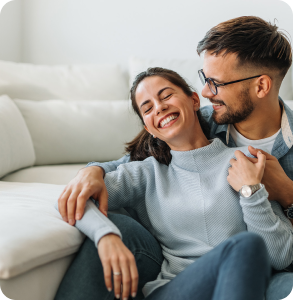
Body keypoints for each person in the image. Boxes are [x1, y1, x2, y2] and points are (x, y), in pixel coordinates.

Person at [56, 16, 293, 300]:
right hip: (177, 289)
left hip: (248, 276)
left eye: (215, 83)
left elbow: (280, 257)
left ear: (261, 86)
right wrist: (94, 184)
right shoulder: (152, 168)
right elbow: (85, 193)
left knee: (253, 253)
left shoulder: (250, 164)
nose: (207, 93)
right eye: (147, 108)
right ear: (147, 127)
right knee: (242, 246)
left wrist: (275, 192)